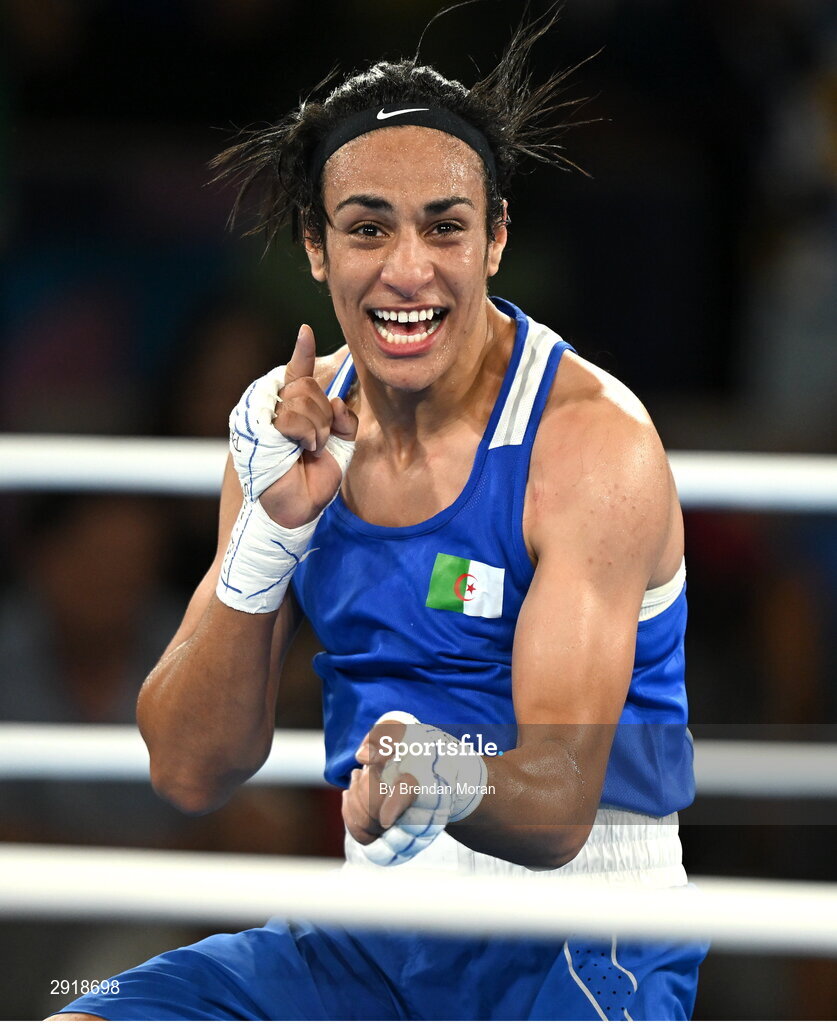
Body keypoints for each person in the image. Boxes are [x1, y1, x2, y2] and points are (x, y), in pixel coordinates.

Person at [53, 8, 708, 1021]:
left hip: (581, 937)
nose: (408, 270)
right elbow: (189, 767)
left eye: (444, 225)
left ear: (495, 238)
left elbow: (562, 799)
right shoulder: (286, 428)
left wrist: (438, 768)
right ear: (317, 249)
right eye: (367, 228)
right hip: (370, 934)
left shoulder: (587, 444)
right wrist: (271, 538)